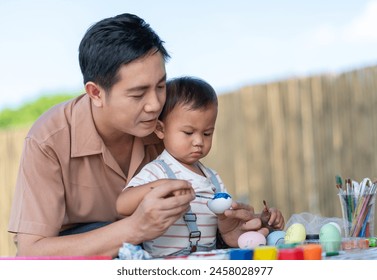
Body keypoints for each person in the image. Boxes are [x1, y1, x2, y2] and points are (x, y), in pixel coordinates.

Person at [8, 13, 284, 258]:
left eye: (161, 86)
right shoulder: (49, 140)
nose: (154, 104)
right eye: (138, 93)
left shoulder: (168, 123)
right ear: (96, 93)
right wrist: (134, 228)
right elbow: (32, 251)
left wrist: (229, 228)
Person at [116, 76, 280, 257]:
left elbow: (225, 229)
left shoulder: (213, 178)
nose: (199, 141)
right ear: (161, 130)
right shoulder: (158, 171)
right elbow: (122, 205)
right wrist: (158, 187)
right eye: (188, 132)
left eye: (207, 133)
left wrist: (261, 220)